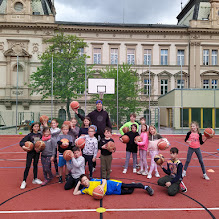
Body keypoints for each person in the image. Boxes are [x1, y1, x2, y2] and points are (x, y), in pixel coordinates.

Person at [73, 174, 154, 196]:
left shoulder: (93, 180)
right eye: (84, 181)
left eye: (86, 179)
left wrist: (101, 186)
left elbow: (104, 180)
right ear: (82, 183)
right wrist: (78, 183)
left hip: (111, 184)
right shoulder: (85, 190)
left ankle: (145, 187)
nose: (86, 181)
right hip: (110, 192)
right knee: (129, 192)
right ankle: (134, 185)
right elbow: (75, 193)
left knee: (127, 186)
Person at [19, 122, 42, 189]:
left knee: (35, 165)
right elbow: (21, 142)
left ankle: (35, 178)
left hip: (37, 152)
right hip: (30, 152)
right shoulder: (30, 135)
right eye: (35, 126)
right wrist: (24, 147)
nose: (36, 128)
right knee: (28, 166)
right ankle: (24, 181)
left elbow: (42, 144)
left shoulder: (40, 135)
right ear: (32, 127)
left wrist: (40, 149)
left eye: (38, 126)